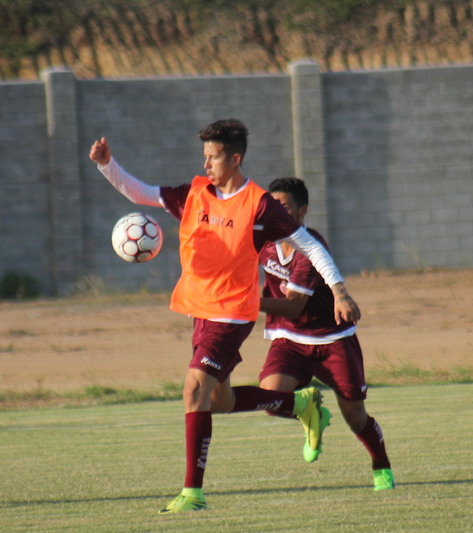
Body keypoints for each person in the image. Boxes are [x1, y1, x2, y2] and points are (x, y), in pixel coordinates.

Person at [88, 119, 361, 514]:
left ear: (235, 159)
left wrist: (339, 291)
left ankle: (192, 494)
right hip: (200, 310)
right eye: (205, 156)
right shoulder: (195, 193)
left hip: (232, 313)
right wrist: (107, 165)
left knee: (193, 390)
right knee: (218, 400)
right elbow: (141, 193)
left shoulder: (260, 204)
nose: (207, 164)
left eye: (214, 157)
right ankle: (299, 406)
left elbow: (311, 247)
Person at [258, 177, 395, 491]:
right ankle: (311, 414)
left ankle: (381, 468)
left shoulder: (310, 246)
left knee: (356, 418)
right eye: (271, 207)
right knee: (270, 398)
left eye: (284, 207)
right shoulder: (263, 242)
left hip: (332, 341)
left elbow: (293, 306)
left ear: (302, 211)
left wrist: (242, 303)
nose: (275, 214)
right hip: (290, 339)